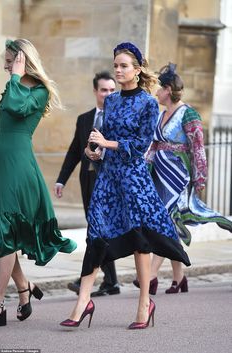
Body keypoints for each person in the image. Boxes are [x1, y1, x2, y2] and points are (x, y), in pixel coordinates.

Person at [59, 42, 190, 330]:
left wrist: (109, 144)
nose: (118, 70)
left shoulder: (147, 103)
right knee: (97, 233)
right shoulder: (112, 101)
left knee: (140, 241)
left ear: (137, 69)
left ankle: (144, 303)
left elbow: (143, 144)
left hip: (134, 179)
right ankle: (83, 302)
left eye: (124, 66)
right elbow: (104, 139)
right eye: (115, 65)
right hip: (108, 178)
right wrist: (96, 151)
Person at [133, 63, 232, 295]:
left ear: (168, 90)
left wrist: (200, 179)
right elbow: (153, 146)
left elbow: (198, 148)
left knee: (167, 223)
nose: (156, 92)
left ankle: (152, 274)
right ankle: (180, 279)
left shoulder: (189, 113)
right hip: (160, 175)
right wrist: (144, 170)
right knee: (171, 223)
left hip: (179, 177)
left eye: (159, 88)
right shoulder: (160, 114)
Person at [0, 39, 77, 326]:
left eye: (10, 60)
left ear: (23, 60)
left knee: (4, 230)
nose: (6, 65)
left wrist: (16, 75)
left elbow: (16, 109)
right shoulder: (13, 86)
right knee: (4, 233)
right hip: (0, 164)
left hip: (18, 167)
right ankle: (25, 288)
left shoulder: (38, 91)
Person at [54, 71, 120, 297]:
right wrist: (61, 179)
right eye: (104, 90)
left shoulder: (120, 117)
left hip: (110, 181)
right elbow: (74, 151)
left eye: (112, 90)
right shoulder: (84, 119)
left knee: (99, 229)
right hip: (88, 179)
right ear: (95, 91)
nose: (108, 94)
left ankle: (91, 278)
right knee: (97, 229)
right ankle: (110, 281)